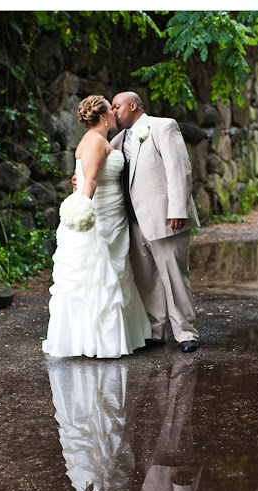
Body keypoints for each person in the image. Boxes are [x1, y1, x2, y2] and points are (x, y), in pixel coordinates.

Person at [42, 95, 151, 358]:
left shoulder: (102, 140)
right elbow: (89, 179)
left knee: (114, 273)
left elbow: (83, 175)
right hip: (100, 214)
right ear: (103, 117)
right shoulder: (94, 140)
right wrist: (83, 211)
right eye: (111, 110)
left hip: (114, 212)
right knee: (100, 273)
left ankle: (116, 336)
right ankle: (98, 341)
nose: (115, 113)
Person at [110, 92, 200, 353]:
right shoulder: (115, 141)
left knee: (173, 275)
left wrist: (178, 209)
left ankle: (186, 333)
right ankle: (155, 331)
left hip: (165, 218)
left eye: (117, 107)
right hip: (133, 221)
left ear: (133, 105)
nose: (114, 111)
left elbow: (178, 168)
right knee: (146, 278)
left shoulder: (162, 126)